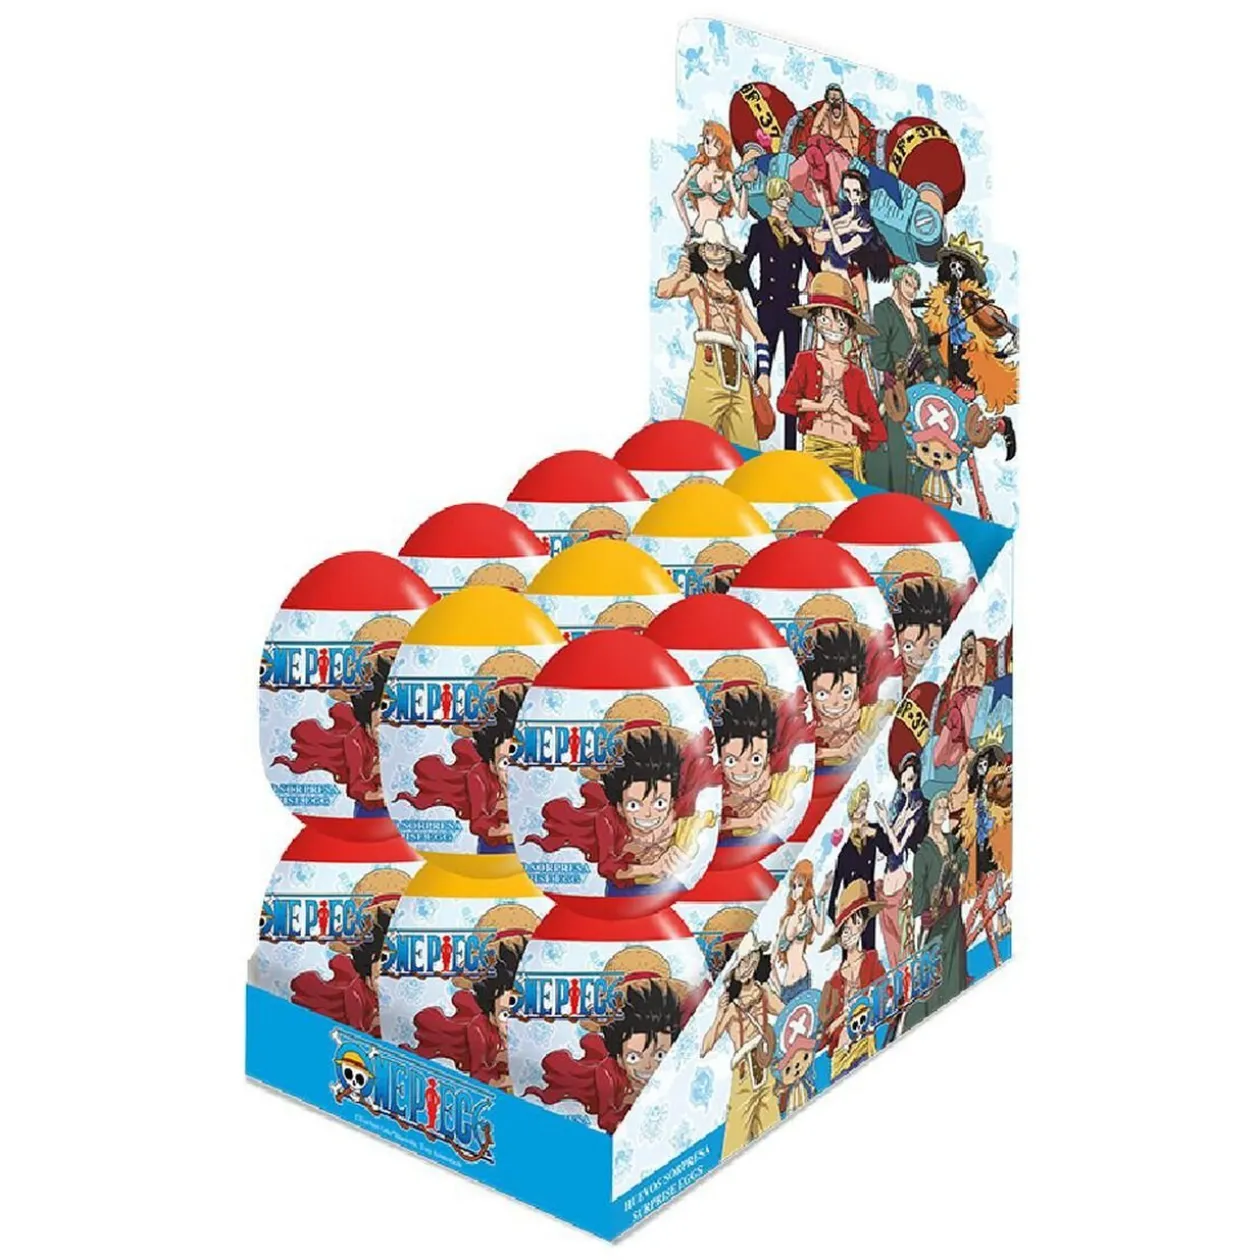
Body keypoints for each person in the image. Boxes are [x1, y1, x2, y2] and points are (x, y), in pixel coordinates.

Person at [657, 219, 771, 449]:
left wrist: (764, 374)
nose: (716, 253)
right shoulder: (696, 283)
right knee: (691, 443)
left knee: (747, 450)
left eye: (720, 248)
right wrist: (679, 274)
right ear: (702, 251)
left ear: (728, 255)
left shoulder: (735, 294)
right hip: (708, 366)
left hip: (739, 372)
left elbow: (760, 337)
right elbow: (662, 291)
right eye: (710, 247)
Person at [778, 271, 884, 481]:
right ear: (816, 321)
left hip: (846, 457)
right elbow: (785, 403)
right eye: (825, 320)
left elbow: (875, 429)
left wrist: (848, 415)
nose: (833, 328)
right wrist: (821, 406)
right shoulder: (806, 361)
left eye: (841, 323)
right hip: (815, 452)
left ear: (850, 330)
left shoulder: (856, 374)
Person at [741, 176, 817, 449]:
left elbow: (816, 269)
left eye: (788, 197)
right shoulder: (759, 230)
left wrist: (797, 239)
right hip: (769, 307)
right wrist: (757, 298)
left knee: (792, 380)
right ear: (772, 198)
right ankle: (751, 440)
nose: (786, 201)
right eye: (781, 196)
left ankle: (790, 447)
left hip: (793, 309)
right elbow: (742, 267)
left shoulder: (798, 233)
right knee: (762, 373)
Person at [866, 265, 946, 493]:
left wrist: (937, 378)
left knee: (919, 456)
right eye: (908, 284)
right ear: (896, 283)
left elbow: (934, 362)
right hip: (894, 395)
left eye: (915, 286)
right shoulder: (884, 310)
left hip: (918, 399)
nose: (912, 290)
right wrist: (898, 370)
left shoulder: (920, 325)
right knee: (894, 453)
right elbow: (879, 355)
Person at [702, 937, 783, 1157]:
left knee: (773, 1127)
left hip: (766, 1066)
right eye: (741, 963)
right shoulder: (731, 1008)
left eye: (751, 960)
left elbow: (786, 1012)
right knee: (735, 1143)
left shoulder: (763, 993)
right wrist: (718, 1015)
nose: (747, 967)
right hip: (744, 1073)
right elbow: (705, 1048)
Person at [903, 794, 969, 1030]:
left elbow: (963, 859)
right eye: (938, 807)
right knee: (933, 969)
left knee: (955, 962)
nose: (942, 812)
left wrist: (961, 875)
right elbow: (918, 889)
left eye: (945, 808)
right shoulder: (923, 852)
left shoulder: (951, 841)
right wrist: (922, 916)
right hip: (935, 919)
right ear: (931, 812)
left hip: (953, 915)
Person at [817, 880, 886, 1078]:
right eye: (845, 928)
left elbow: (885, 995)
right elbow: (825, 1031)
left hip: (866, 1042)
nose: (851, 932)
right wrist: (841, 1019)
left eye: (856, 922)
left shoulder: (871, 961)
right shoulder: (834, 982)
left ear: (863, 925)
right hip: (841, 1054)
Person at [873, 753, 930, 967]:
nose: (906, 786)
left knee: (903, 940)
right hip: (886, 881)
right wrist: (894, 820)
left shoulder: (917, 809)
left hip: (899, 878)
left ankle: (910, 976)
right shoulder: (902, 805)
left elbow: (897, 847)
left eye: (911, 780)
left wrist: (886, 822)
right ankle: (901, 979)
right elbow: (886, 848)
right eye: (904, 781)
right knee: (890, 942)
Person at [774, 859, 826, 1002]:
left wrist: (820, 901)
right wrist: (778, 989)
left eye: (800, 885)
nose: (796, 890)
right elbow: (772, 959)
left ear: (806, 887)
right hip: (787, 986)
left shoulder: (808, 912)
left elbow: (820, 929)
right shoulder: (787, 920)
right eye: (794, 886)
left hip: (803, 978)